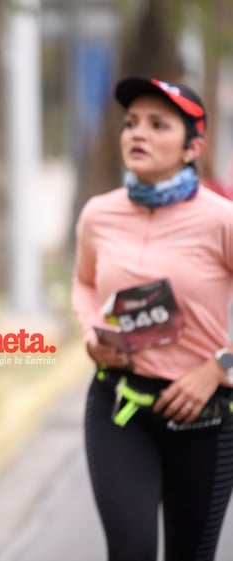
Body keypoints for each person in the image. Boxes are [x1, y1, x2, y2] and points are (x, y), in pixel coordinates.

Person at [72, 76, 233, 561]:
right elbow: (83, 282)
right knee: (131, 550)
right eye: (130, 123)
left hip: (203, 413)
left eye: (158, 125)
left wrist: (219, 366)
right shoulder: (99, 214)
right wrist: (90, 335)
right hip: (120, 404)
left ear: (193, 148)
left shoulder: (221, 218)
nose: (136, 134)